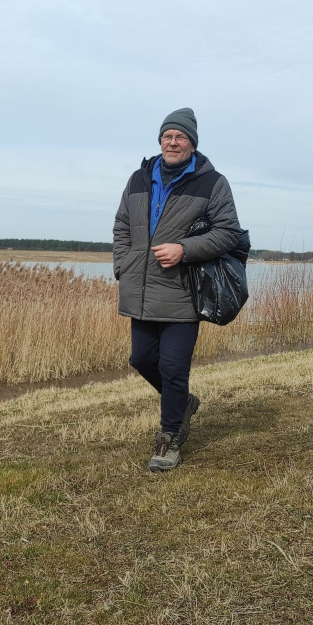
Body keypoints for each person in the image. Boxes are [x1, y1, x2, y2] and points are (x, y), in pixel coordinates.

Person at [112, 108, 243, 472]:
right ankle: (183, 403)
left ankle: (169, 440)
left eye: (180, 137)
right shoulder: (139, 178)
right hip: (140, 289)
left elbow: (229, 232)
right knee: (141, 360)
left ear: (192, 143)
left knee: (172, 368)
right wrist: (122, 264)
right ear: (160, 140)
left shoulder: (212, 182)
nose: (173, 141)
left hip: (184, 291)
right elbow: (122, 225)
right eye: (168, 135)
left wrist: (184, 249)